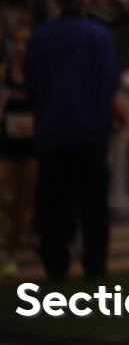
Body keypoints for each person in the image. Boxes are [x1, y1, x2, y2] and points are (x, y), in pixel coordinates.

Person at [24, 0, 120, 281]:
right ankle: (95, 266)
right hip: (91, 130)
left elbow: (31, 82)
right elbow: (110, 81)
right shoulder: (99, 35)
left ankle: (55, 266)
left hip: (52, 131)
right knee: (94, 204)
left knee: (53, 202)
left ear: (56, 2)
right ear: (84, 1)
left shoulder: (40, 36)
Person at [0, 24, 38, 277]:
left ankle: (10, 257)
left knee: (22, 201)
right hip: (6, 144)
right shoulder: (3, 73)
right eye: (17, 42)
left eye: (27, 42)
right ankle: (11, 221)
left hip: (31, 147)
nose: (22, 47)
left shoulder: (39, 75)